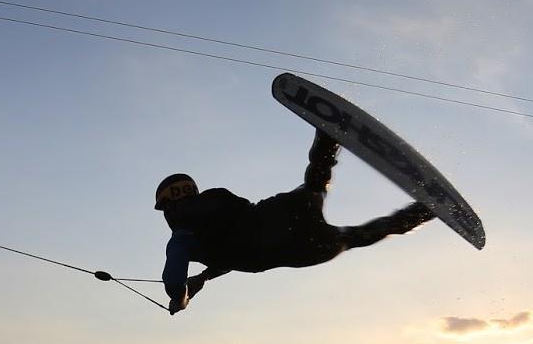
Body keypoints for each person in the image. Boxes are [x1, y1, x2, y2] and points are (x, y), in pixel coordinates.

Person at [155, 131, 435, 314]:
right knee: (315, 183)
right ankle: (327, 137)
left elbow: (173, 283)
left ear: (166, 208)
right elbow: (231, 244)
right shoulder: (214, 200)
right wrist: (204, 277)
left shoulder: (182, 239)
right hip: (280, 213)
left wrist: (182, 299)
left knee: (354, 237)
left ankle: (422, 212)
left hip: (293, 250)